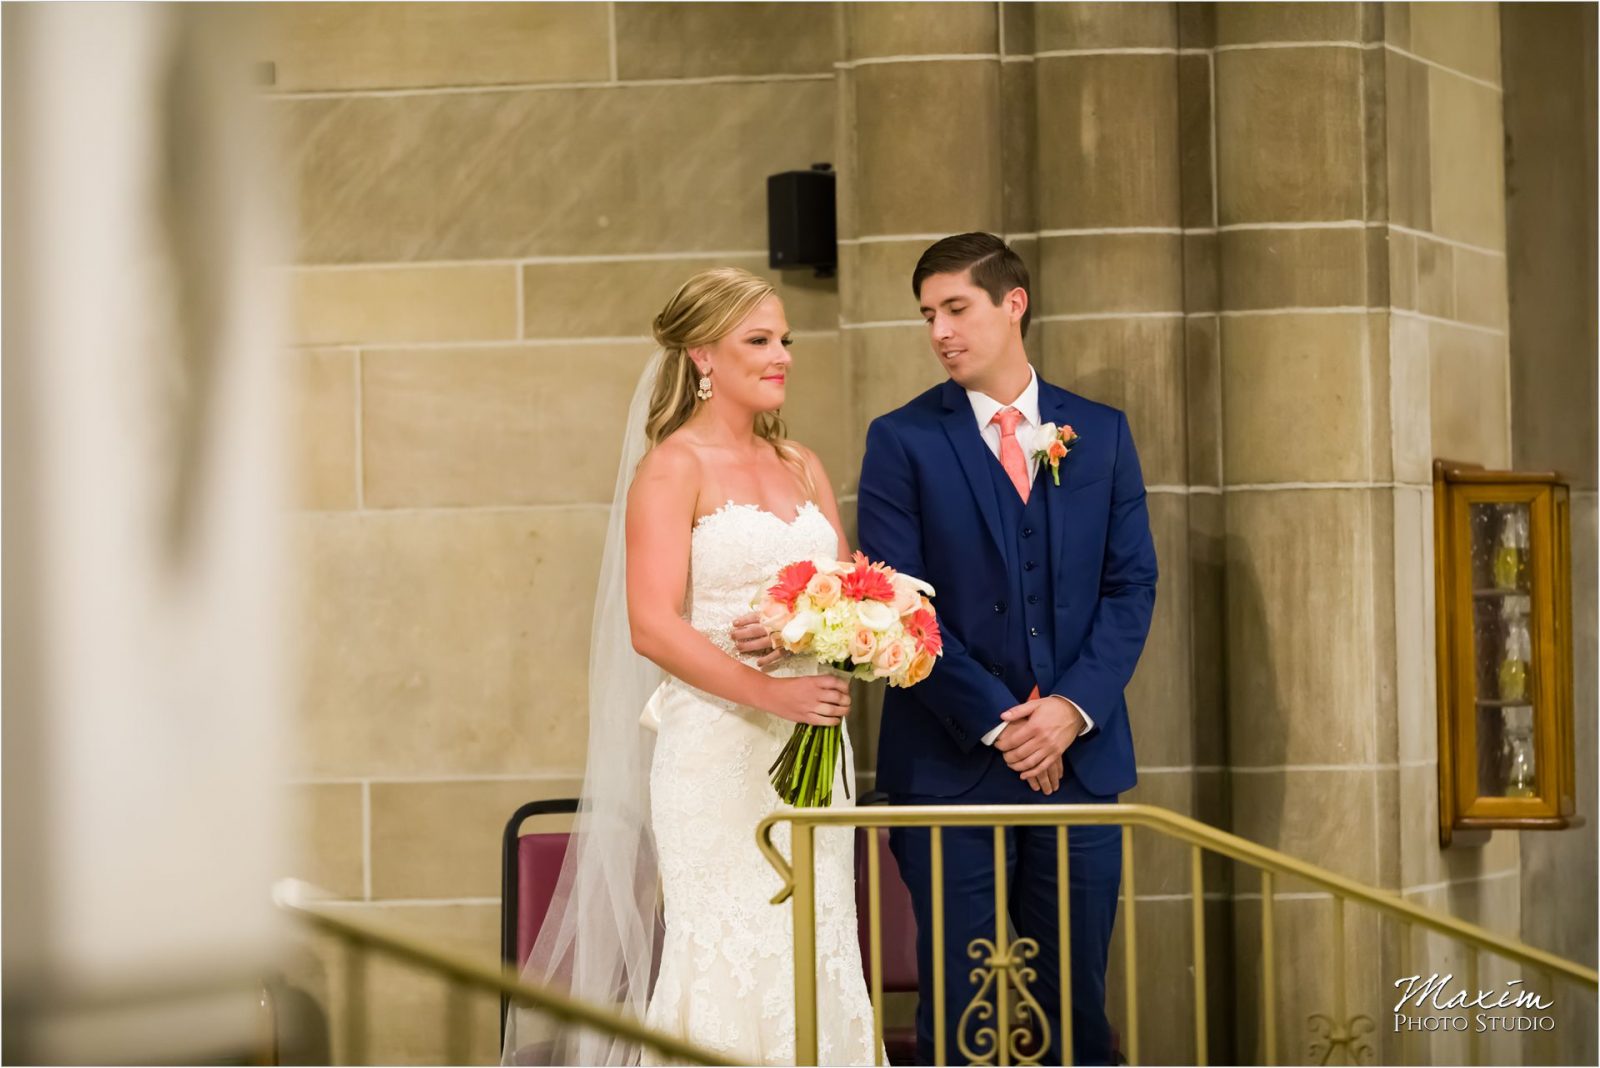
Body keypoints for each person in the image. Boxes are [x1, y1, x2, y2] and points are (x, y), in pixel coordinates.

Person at [504, 267, 879, 1066]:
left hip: (812, 739)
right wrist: (768, 690)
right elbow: (652, 625)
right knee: (728, 950)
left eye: (785, 340)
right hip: (718, 750)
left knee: (821, 939)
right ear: (704, 356)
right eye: (759, 341)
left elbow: (842, 591)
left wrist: (817, 631)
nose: (781, 355)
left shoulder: (804, 465)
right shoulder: (674, 467)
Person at [855, 233, 1158, 1066]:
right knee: (964, 1010)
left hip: (1082, 762)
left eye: (956, 308)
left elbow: (1132, 587)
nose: (940, 331)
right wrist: (1005, 723)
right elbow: (893, 605)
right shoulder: (902, 440)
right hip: (949, 767)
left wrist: (1066, 713)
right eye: (927, 315)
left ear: (1011, 303)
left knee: (1078, 1006)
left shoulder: (1098, 431)